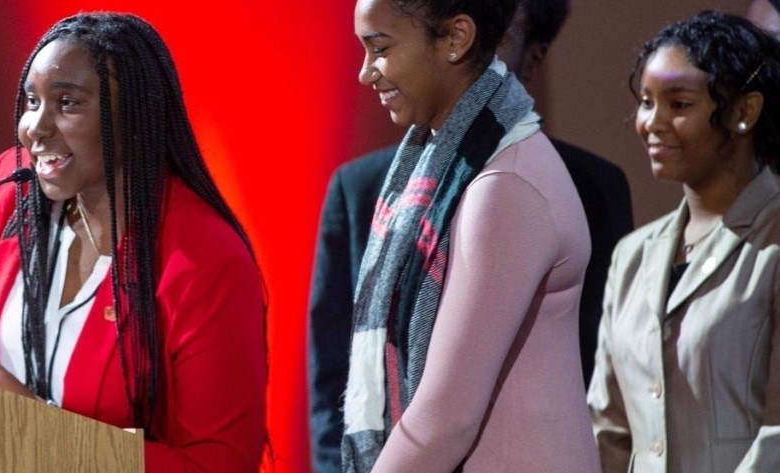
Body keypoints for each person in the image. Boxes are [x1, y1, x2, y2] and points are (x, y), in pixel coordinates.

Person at [308, 0, 626, 471]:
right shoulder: (460, 168)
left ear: (456, 38)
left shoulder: (505, 186)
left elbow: (446, 420)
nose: (365, 72)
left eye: (381, 48)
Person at [0, 13, 267, 472]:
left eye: (68, 103)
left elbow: (220, 463)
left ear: (132, 117)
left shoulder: (203, 259)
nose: (35, 127)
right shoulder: (10, 190)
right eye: (33, 101)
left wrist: (37, 430)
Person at [588, 11, 780, 472]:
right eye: (646, 102)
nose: (651, 122)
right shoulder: (632, 255)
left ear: (744, 112)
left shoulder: (773, 239)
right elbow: (608, 429)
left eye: (678, 104)